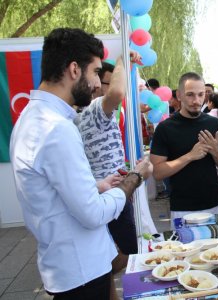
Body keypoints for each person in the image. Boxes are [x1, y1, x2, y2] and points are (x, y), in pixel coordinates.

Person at [9, 28, 151, 300]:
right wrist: (135, 178)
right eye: (96, 72)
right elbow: (93, 214)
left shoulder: (35, 117)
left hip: (71, 264)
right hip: (81, 271)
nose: (98, 84)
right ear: (74, 69)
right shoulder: (54, 128)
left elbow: (54, 190)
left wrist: (95, 186)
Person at [74, 51, 146, 300]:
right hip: (114, 192)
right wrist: (120, 60)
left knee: (110, 251)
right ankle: (100, 276)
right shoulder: (96, 108)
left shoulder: (78, 115)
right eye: (100, 77)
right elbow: (116, 94)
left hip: (103, 190)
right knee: (131, 252)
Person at [150, 72, 218, 226]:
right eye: (190, 95)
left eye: (201, 95)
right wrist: (189, 156)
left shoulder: (214, 124)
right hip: (183, 209)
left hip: (216, 205)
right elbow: (158, 172)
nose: (196, 100)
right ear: (179, 95)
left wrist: (215, 150)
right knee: (187, 250)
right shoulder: (165, 128)